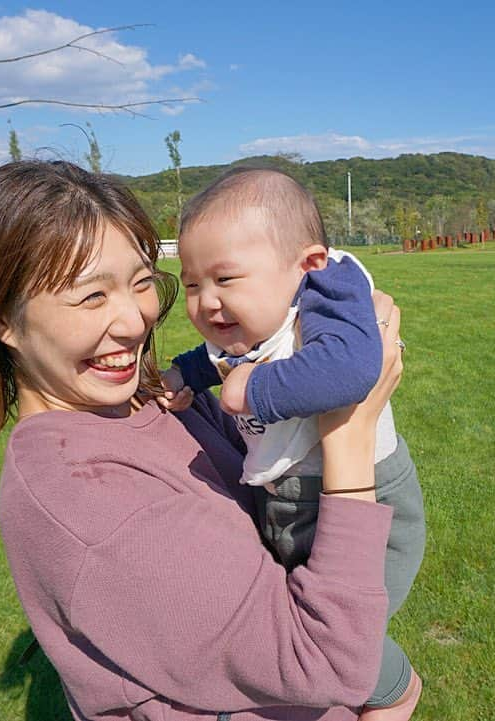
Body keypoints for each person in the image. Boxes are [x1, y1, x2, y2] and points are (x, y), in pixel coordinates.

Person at [0, 161, 410, 721]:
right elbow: (330, 665)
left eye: (141, 283)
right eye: (91, 297)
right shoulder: (84, 498)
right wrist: (350, 435)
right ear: (5, 319)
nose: (134, 322)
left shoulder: (148, 401)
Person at [161, 168, 425, 719]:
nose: (207, 302)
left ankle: (395, 690)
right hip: (284, 490)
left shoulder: (332, 292)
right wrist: (184, 376)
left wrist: (252, 390)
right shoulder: (255, 317)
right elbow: (218, 359)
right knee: (294, 617)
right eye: (191, 285)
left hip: (358, 498)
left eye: (225, 279)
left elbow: (352, 370)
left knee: (342, 631)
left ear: (306, 263)